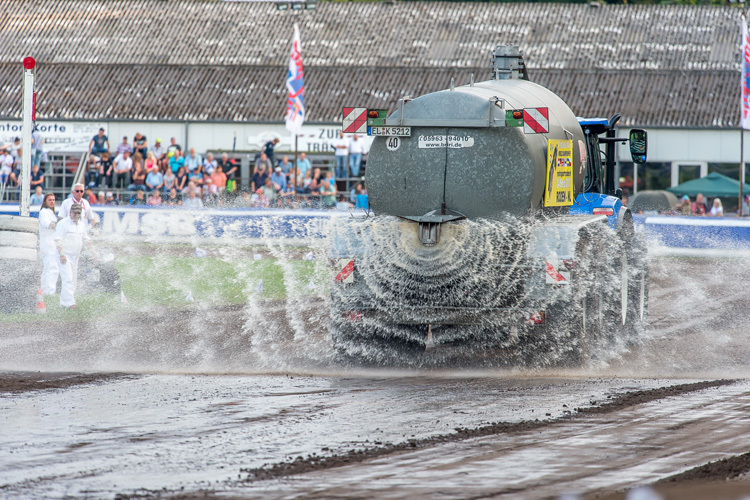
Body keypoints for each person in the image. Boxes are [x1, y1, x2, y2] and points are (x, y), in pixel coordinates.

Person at [54, 203, 96, 309]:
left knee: (72, 280)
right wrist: (62, 254)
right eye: (75, 213)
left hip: (75, 256)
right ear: (70, 212)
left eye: (79, 213)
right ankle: (70, 303)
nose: (77, 215)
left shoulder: (81, 224)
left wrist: (93, 252)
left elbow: (86, 239)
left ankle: (63, 302)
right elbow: (57, 240)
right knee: (67, 278)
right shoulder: (63, 224)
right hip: (64, 255)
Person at [38, 193, 59, 296]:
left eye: (53, 200)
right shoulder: (44, 212)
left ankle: (45, 290)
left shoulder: (51, 212)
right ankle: (50, 291)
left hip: (50, 244)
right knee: (52, 268)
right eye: (50, 200)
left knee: (48, 268)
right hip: (48, 244)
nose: (52, 202)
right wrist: (57, 226)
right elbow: (47, 224)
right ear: (45, 201)